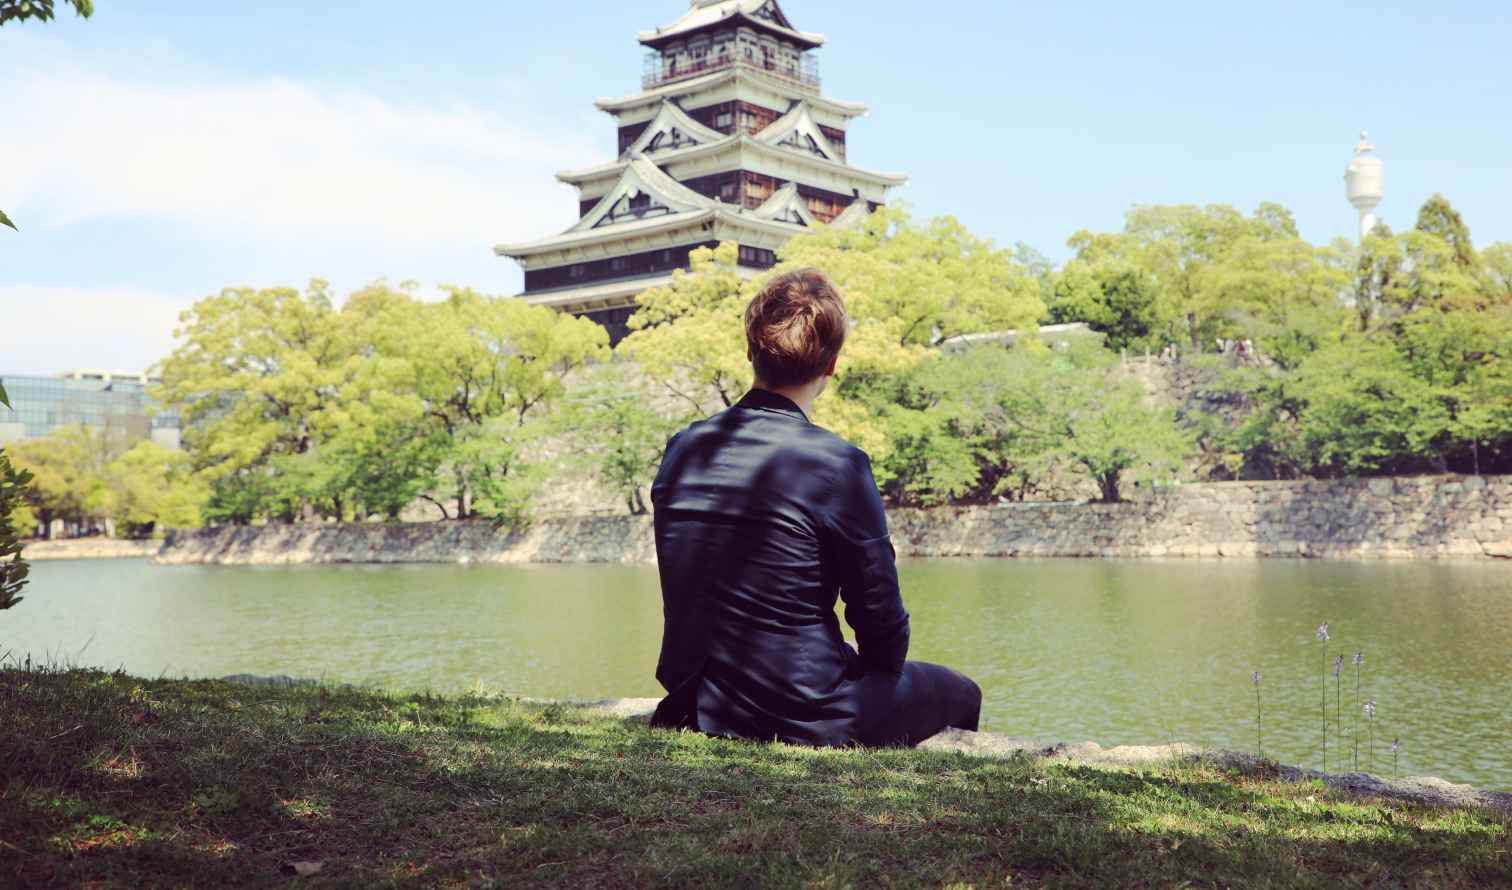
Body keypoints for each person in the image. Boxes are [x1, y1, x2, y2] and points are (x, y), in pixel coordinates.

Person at [648, 268, 982, 748]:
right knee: (959, 691)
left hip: (695, 698)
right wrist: (878, 678)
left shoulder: (684, 446)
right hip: (801, 709)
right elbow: (878, 614)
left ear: (750, 354)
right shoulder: (836, 463)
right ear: (831, 366)